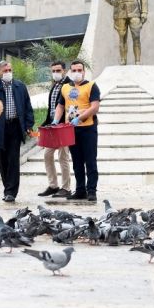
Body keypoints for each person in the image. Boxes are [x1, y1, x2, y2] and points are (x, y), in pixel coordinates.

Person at [0, 61, 34, 203]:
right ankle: (7, 187)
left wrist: (29, 125)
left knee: (13, 160)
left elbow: (27, 106)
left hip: (15, 127)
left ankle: (11, 192)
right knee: (1, 160)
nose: (8, 73)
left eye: (10, 70)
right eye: (5, 70)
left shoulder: (20, 86)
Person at [52, 60, 101, 202]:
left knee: (90, 160)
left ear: (84, 72)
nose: (76, 73)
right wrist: (56, 119)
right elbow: (61, 106)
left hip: (87, 128)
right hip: (71, 129)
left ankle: (91, 190)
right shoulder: (66, 87)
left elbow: (95, 107)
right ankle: (80, 190)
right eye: (74, 70)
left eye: (79, 70)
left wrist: (80, 118)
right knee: (76, 161)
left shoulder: (91, 86)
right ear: (70, 72)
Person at [38, 61, 72, 198]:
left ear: (64, 70)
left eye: (58, 70)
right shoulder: (55, 85)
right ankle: (53, 185)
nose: (55, 73)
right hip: (52, 127)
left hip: (63, 127)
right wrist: (45, 124)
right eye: (53, 71)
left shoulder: (69, 84)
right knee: (47, 155)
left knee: (63, 157)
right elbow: (51, 108)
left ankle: (66, 188)